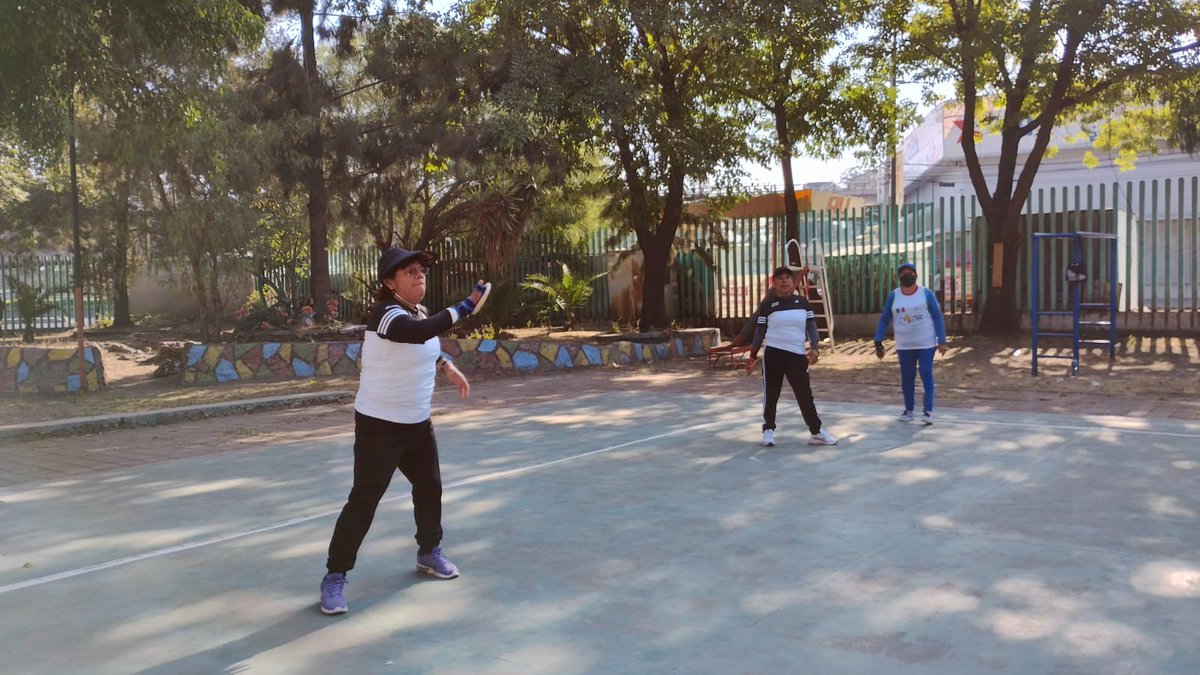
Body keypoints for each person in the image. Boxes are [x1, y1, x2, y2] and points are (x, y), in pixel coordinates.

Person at [320, 247, 491, 616]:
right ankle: (335, 576)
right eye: (409, 271)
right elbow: (414, 334)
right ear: (389, 282)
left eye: (421, 270)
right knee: (364, 500)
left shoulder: (420, 313)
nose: (419, 276)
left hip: (417, 423)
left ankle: (429, 552)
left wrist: (447, 366)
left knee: (429, 486)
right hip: (379, 426)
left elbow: (426, 344)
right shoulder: (385, 315)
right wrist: (464, 307)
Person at [748, 266, 838, 448]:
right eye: (780, 278)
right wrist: (752, 355)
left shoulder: (802, 302)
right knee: (771, 394)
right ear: (774, 283)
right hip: (773, 353)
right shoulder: (767, 305)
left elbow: (812, 326)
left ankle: (816, 432)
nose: (784, 281)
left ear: (792, 282)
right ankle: (768, 430)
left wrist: (814, 347)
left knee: (805, 395)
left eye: (788, 278)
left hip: (797, 356)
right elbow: (759, 331)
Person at [873, 261, 948, 425]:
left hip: (926, 344)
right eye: (903, 273)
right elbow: (885, 318)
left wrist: (942, 340)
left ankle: (928, 411)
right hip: (904, 345)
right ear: (899, 277)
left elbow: (937, 316)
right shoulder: (894, 296)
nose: (907, 275)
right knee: (907, 377)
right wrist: (878, 339)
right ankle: (909, 410)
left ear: (915, 275)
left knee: (926, 373)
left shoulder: (925, 294)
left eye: (910, 272)